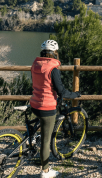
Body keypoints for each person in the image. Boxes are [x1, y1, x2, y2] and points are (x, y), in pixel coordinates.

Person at [30, 39, 81, 178]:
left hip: (34, 103)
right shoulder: (53, 69)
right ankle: (45, 171)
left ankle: (32, 142)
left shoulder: (35, 64)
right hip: (46, 107)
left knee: (39, 130)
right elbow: (62, 92)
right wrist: (75, 95)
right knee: (46, 141)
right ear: (55, 53)